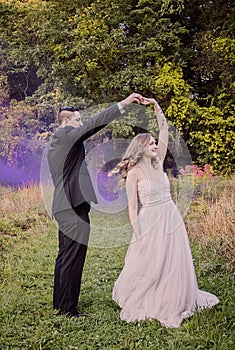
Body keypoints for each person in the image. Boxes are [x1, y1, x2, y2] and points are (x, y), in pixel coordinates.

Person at [110, 97, 219, 328]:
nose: (154, 145)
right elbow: (132, 207)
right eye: (149, 143)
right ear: (140, 148)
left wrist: (156, 105)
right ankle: (151, 299)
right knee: (152, 263)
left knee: (173, 261)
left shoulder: (158, 161)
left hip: (170, 215)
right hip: (150, 220)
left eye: (153, 143)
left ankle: (174, 297)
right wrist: (138, 234)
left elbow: (164, 129)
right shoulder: (134, 174)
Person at [47, 93, 145, 317]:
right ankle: (68, 310)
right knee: (72, 258)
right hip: (73, 207)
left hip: (65, 206)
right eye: (77, 120)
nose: (81, 124)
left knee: (64, 257)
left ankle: (60, 304)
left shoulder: (58, 142)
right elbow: (94, 124)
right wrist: (124, 103)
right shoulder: (65, 136)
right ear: (65, 122)